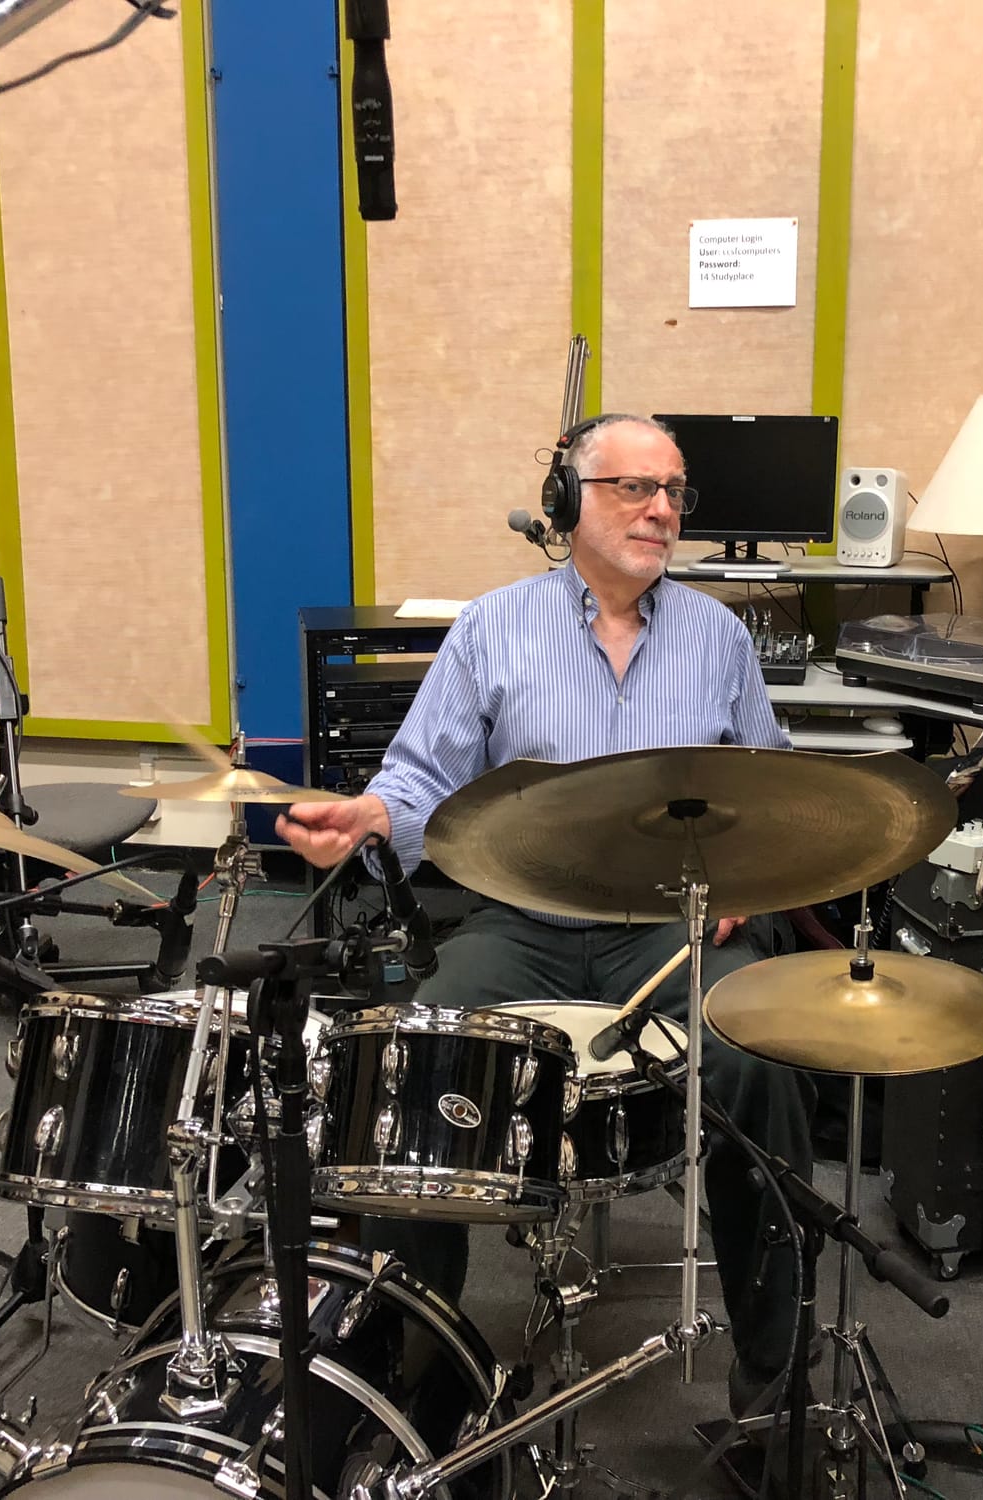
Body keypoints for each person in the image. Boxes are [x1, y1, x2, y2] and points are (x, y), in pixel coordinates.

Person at [278, 413, 814, 1417]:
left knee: (758, 1060)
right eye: (633, 488)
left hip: (662, 930)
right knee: (410, 1054)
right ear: (571, 503)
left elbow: (773, 788)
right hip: (517, 923)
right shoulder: (493, 627)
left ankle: (774, 1391)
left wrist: (749, 880)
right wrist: (366, 817)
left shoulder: (717, 638)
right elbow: (418, 774)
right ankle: (410, 1383)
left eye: (674, 493)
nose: (661, 511)